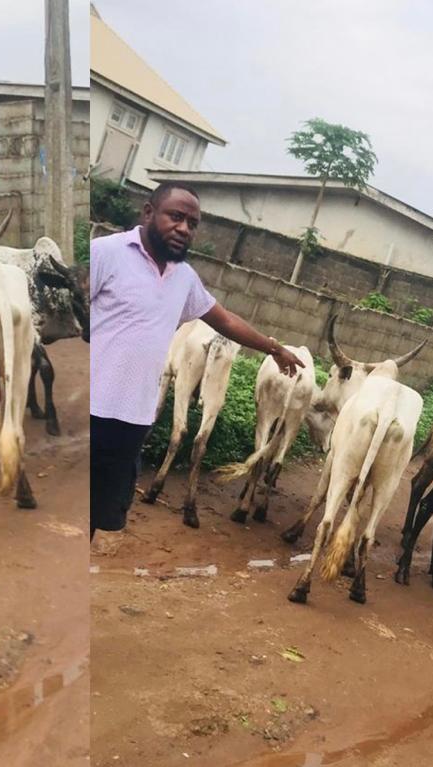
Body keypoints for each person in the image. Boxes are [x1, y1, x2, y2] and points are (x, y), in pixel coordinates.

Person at [90, 181, 304, 538]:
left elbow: (225, 321)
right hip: (93, 414)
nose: (184, 229)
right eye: (176, 217)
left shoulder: (184, 278)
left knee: (99, 517)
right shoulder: (106, 253)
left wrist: (274, 348)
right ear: (148, 213)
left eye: (192, 224)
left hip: (133, 422)